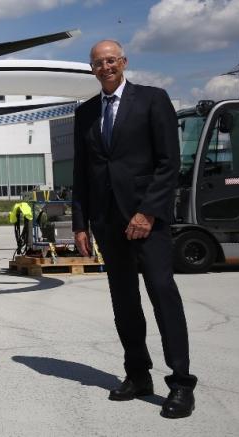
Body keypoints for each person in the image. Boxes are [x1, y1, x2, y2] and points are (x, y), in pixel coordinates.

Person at [72, 39, 197, 419]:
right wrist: (80, 224)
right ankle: (138, 374)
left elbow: (168, 163)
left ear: (123, 62)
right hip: (108, 222)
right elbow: (83, 172)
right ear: (92, 69)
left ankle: (180, 383)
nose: (105, 66)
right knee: (124, 302)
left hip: (147, 221)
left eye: (111, 60)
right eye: (98, 62)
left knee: (162, 294)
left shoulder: (152, 99)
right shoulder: (86, 113)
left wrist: (147, 213)